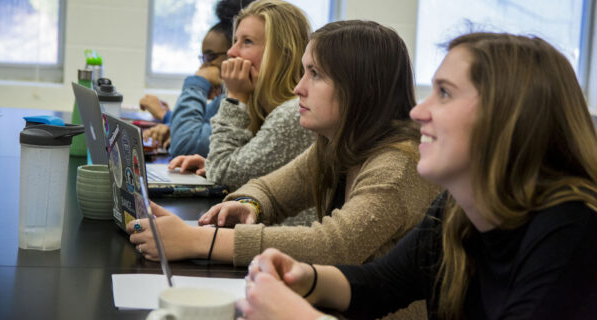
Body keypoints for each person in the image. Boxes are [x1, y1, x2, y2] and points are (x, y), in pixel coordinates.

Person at [238, 32, 597, 320]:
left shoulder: (572, 231)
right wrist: (307, 278)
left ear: (507, 118)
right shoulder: (459, 205)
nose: (418, 110)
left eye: (444, 93)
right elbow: (382, 283)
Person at [127, 21, 440, 290]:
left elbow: (332, 245)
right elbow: (268, 189)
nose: (298, 88)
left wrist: (198, 241)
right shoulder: (336, 145)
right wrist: (248, 205)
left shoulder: (397, 167)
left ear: (361, 89)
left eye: (315, 74)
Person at [168, 0, 317, 189]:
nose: (231, 52)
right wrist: (211, 165)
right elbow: (253, 173)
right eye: (235, 41)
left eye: (247, 42)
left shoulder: (294, 114)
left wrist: (236, 97)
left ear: (282, 55)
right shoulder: (260, 106)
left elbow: (222, 171)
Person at [141, 0, 256, 154]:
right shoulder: (225, 98)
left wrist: (198, 81)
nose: (203, 66)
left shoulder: (248, 101)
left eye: (210, 57)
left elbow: (186, 144)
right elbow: (202, 126)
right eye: (203, 57)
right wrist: (169, 124)